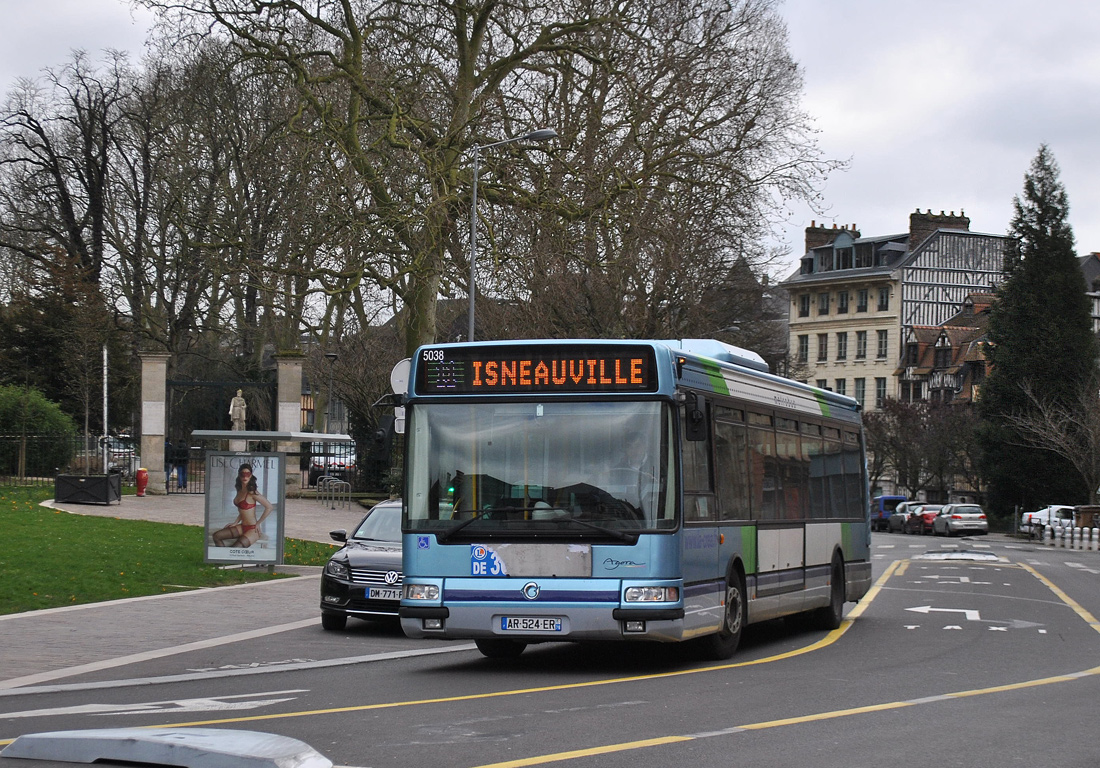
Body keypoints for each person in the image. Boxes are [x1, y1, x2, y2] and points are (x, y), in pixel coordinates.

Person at [212, 463, 275, 547]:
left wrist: (258, 523)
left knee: (234, 549)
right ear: (239, 475)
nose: (245, 477)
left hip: (252, 529)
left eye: (247, 474)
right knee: (216, 536)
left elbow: (269, 507)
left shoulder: (252, 492)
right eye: (242, 474)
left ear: (251, 475)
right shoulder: (240, 490)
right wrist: (235, 522)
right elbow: (243, 510)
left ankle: (227, 558)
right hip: (242, 527)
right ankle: (223, 558)